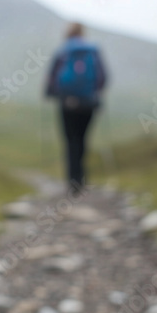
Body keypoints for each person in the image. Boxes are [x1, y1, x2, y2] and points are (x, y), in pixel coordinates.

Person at [45, 22, 108, 192]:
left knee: (70, 141)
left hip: (67, 103)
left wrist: (52, 94)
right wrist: (95, 94)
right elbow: (102, 77)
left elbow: (52, 78)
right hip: (89, 103)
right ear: (83, 33)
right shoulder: (92, 51)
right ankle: (81, 178)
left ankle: (72, 181)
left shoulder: (63, 52)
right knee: (82, 140)